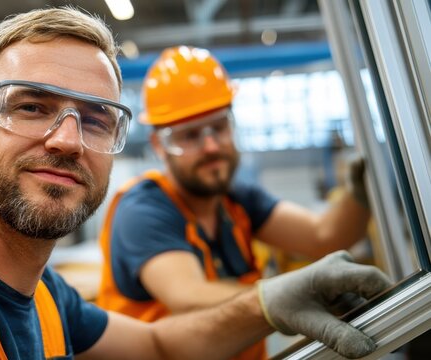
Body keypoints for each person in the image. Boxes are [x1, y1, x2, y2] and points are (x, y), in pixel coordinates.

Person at [0, 7, 389, 360]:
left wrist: (267, 305)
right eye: (30, 107)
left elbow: (159, 348)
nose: (68, 140)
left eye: (97, 117)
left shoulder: (47, 297)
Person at [96, 46, 373, 359]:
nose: (211, 146)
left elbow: (324, 236)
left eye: (219, 126)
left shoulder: (236, 200)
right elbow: (187, 296)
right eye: (190, 135)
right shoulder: (142, 209)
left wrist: (361, 192)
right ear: (160, 145)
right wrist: (285, 295)